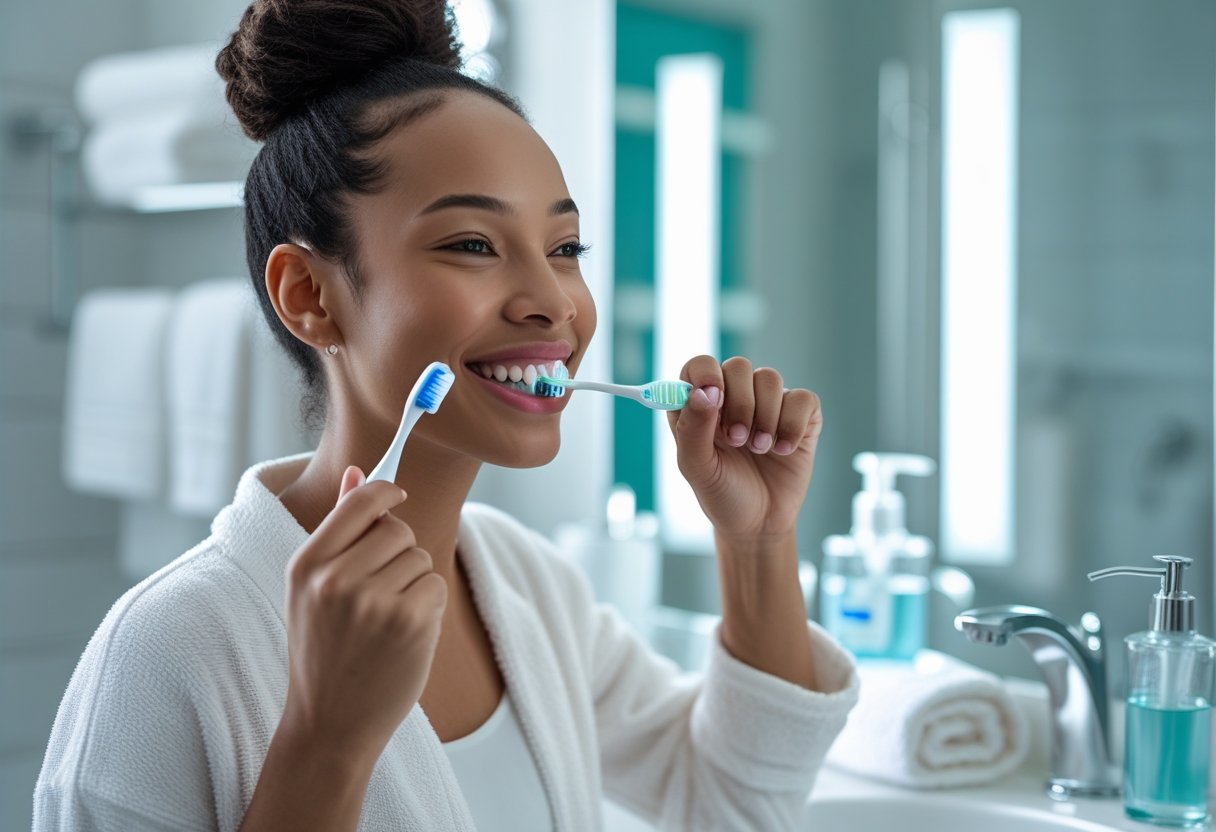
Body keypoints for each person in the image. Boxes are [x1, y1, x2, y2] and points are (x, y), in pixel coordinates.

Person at [33, 1, 859, 829]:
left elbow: (730, 805)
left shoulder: (530, 586)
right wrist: (327, 740)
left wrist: (756, 544)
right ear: (309, 295)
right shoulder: (166, 655)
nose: (551, 303)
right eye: (472, 244)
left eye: (565, 249)